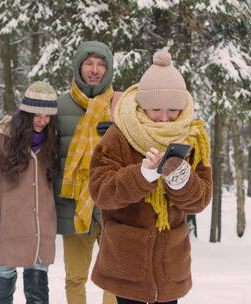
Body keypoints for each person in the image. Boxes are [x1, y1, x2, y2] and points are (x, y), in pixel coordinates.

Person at [88, 51, 213, 304]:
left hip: (170, 263)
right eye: (156, 109)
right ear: (143, 106)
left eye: (173, 110)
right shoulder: (119, 136)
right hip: (127, 262)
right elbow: (101, 192)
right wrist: (142, 175)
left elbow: (199, 201)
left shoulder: (192, 137)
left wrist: (179, 179)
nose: (165, 117)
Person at [0, 81, 60, 304]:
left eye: (48, 116)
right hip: (6, 228)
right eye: (37, 115)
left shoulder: (52, 138)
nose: (42, 121)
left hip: (40, 228)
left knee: (38, 290)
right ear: (25, 112)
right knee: (4, 280)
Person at [54, 40, 119, 304]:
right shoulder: (59, 106)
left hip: (112, 204)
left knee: (115, 277)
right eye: (89, 63)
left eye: (101, 64)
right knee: (75, 277)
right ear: (78, 67)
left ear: (108, 69)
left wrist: (118, 132)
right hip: (73, 204)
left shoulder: (121, 106)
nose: (94, 70)